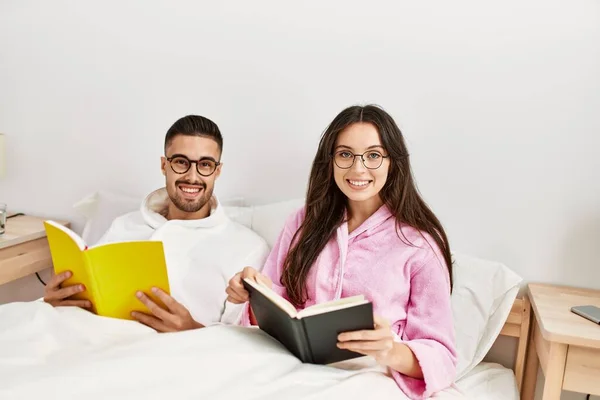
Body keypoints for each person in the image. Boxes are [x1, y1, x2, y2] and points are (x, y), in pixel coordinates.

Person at [226, 105, 457, 399]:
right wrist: (253, 294)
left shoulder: (420, 245)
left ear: (393, 162)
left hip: (368, 376)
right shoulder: (303, 221)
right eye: (345, 154)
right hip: (291, 363)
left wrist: (392, 350)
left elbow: (443, 356)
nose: (358, 169)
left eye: (373, 155)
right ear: (331, 161)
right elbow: (278, 297)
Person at [43, 115, 270, 332]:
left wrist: (192, 329)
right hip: (95, 338)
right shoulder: (124, 225)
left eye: (205, 164)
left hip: (178, 355)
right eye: (181, 162)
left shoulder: (247, 248)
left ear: (217, 171)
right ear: (164, 166)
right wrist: (57, 301)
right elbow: (92, 292)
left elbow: (245, 339)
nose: (192, 176)